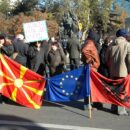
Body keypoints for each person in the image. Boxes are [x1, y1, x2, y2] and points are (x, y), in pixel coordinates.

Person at [106, 28, 130, 116]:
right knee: (122, 91)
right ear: (125, 36)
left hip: (112, 72)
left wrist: (111, 67)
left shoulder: (111, 45)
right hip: (123, 72)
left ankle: (113, 108)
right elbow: (129, 60)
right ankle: (121, 110)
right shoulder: (127, 45)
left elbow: (107, 59)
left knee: (114, 90)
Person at [81, 29, 101, 110]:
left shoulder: (90, 42)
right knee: (89, 87)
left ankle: (90, 103)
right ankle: (88, 105)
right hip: (91, 68)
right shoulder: (90, 43)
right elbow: (84, 50)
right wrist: (90, 60)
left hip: (92, 68)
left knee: (90, 86)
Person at [0, 34, 14, 104]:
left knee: (6, 82)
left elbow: (9, 52)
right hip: (0, 68)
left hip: (7, 67)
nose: (0, 41)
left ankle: (5, 98)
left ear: (4, 39)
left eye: (1, 39)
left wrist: (2, 47)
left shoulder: (9, 45)